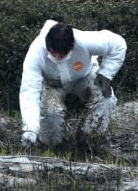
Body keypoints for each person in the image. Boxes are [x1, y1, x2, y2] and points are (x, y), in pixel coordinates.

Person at [19, 20, 127, 149]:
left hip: (85, 76)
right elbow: (29, 89)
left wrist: (106, 74)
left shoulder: (84, 40)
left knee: (106, 100)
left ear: (72, 46)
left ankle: (89, 143)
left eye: (62, 54)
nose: (57, 57)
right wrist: (30, 128)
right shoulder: (36, 52)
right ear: (47, 45)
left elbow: (118, 44)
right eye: (53, 52)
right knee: (52, 111)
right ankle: (53, 148)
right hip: (52, 83)